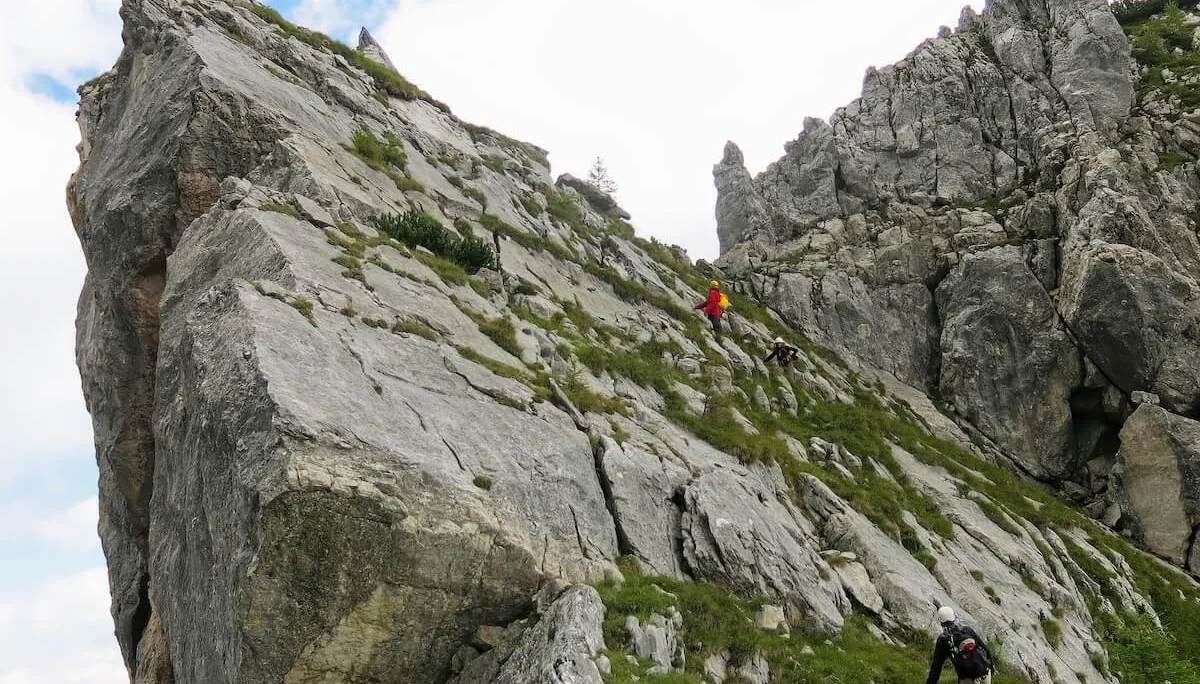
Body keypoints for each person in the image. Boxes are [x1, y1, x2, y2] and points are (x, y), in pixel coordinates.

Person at [925, 607, 995, 684]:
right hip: (985, 673)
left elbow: (936, 668)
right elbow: (985, 649)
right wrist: (991, 668)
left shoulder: (943, 639)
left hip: (968, 680)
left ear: (940, 621)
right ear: (954, 618)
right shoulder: (967, 630)